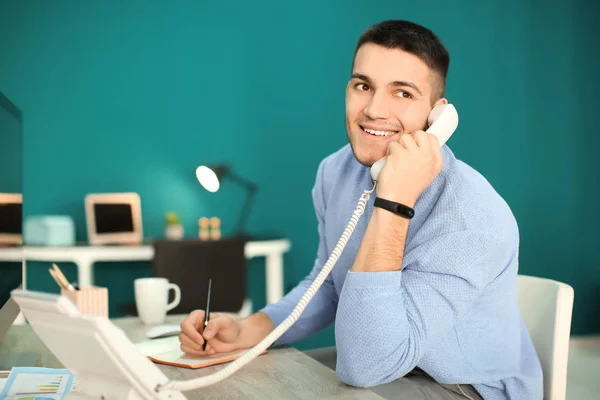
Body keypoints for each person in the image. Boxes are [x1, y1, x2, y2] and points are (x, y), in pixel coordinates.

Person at [179, 20, 543, 399]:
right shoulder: (335, 172)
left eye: (402, 93)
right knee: (241, 381)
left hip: (465, 385)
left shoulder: (472, 217)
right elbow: (329, 285)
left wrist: (393, 201)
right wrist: (251, 329)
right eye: (363, 86)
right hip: (383, 361)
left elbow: (363, 365)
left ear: (438, 117)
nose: (373, 109)